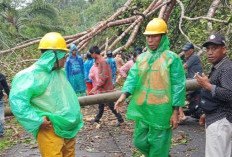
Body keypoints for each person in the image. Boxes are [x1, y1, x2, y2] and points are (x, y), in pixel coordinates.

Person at [114, 18, 186, 157]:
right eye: (148, 36)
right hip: (144, 109)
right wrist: (123, 96)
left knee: (158, 145)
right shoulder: (142, 58)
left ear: (163, 37)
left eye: (154, 36)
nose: (150, 40)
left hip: (162, 111)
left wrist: (175, 111)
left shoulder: (172, 58)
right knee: (139, 142)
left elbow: (178, 85)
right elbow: (133, 77)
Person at [9, 32, 84, 157]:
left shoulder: (59, 73)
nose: (66, 58)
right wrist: (37, 120)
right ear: (53, 55)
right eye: (63, 55)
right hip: (50, 128)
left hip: (69, 128)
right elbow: (18, 103)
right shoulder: (30, 75)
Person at [196, 33, 232, 157]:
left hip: (221, 121)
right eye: (208, 49)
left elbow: (229, 94)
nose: (210, 52)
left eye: (214, 48)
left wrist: (207, 85)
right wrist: (207, 113)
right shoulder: (219, 67)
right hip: (217, 118)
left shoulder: (227, 68)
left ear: (224, 49)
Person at [88, 46, 124, 126]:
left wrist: (96, 87)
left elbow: (104, 76)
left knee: (111, 105)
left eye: (91, 54)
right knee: (101, 104)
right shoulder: (99, 61)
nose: (91, 55)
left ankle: (121, 119)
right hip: (103, 88)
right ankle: (97, 119)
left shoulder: (102, 61)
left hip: (106, 88)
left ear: (94, 53)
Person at [179, 42, 203, 122]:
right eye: (184, 51)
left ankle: (181, 115)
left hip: (195, 81)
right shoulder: (192, 58)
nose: (184, 52)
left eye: (186, 51)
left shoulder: (194, 57)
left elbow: (183, 67)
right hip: (192, 80)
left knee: (177, 93)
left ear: (191, 51)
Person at [0, 73, 10, 138]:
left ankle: (0, 134)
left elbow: (6, 87)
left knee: (1, 118)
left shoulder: (1, 76)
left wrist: (10, 96)